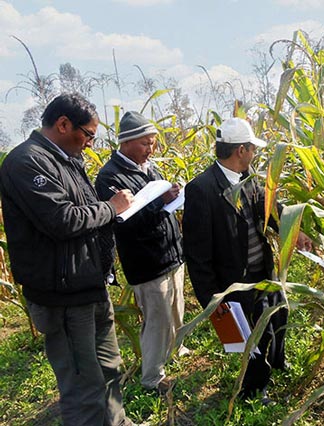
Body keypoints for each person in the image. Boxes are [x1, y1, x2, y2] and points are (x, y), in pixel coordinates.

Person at [0, 93, 134, 426]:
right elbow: (62, 220)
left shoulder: (67, 160)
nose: (90, 143)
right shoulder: (26, 162)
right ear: (63, 124)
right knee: (83, 388)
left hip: (90, 286)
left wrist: (110, 212)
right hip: (63, 297)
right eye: (87, 134)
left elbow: (85, 213)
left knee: (109, 370)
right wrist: (110, 208)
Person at [182, 117, 311, 404]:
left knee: (278, 316)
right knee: (252, 338)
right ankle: (253, 389)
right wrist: (213, 302)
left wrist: (294, 230)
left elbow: (272, 209)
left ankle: (278, 363)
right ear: (240, 150)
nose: (254, 153)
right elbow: (197, 254)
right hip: (235, 282)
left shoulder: (250, 179)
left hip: (264, 271)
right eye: (251, 148)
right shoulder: (201, 189)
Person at [95, 111, 187, 393]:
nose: (152, 149)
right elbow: (126, 223)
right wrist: (162, 203)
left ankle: (175, 350)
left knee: (176, 309)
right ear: (126, 143)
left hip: (171, 253)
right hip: (147, 262)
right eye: (146, 143)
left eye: (154, 142)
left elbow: (158, 203)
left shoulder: (149, 167)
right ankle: (152, 377)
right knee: (156, 320)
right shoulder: (110, 177)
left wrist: (173, 196)